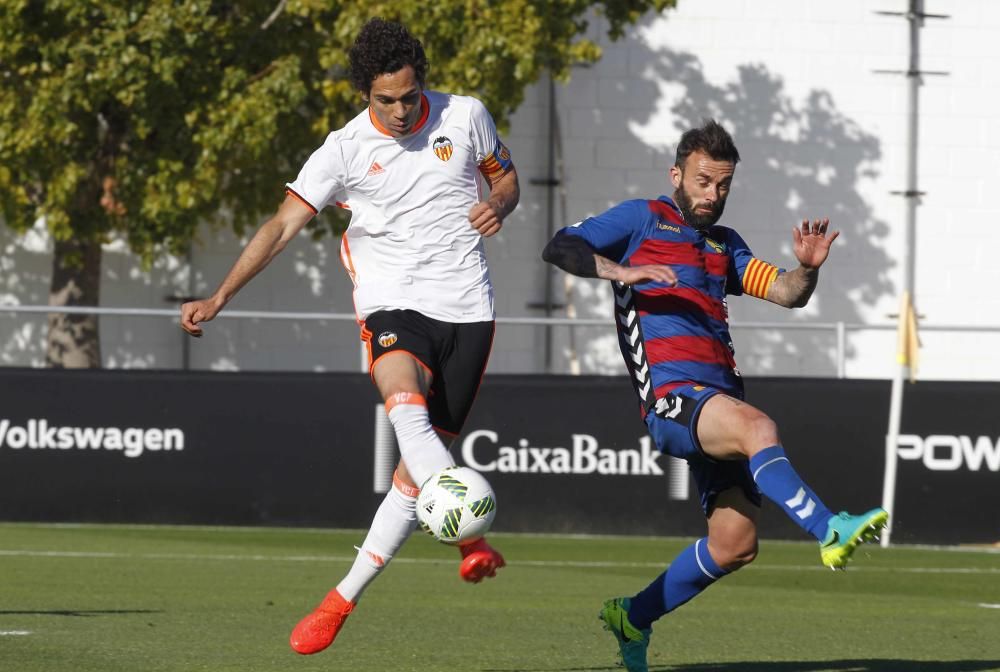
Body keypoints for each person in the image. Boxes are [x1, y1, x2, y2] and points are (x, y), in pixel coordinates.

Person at [180, 18, 519, 656]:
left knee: (416, 478)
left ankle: (341, 599)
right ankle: (470, 542)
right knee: (402, 398)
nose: (397, 110)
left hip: (468, 309)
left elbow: (506, 179)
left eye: (408, 96)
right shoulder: (341, 149)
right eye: (382, 99)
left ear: (423, 81)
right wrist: (219, 296)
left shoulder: (467, 116)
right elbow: (282, 227)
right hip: (391, 302)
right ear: (364, 94)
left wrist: (497, 204)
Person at [542, 119, 887, 672]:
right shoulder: (641, 219)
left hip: (715, 399)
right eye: (703, 181)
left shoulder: (723, 245)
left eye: (723, 185)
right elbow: (560, 248)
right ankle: (830, 529)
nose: (712, 194)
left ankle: (633, 616)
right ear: (677, 173)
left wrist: (806, 269)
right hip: (673, 398)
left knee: (735, 543)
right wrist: (624, 271)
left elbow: (785, 293)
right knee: (759, 429)